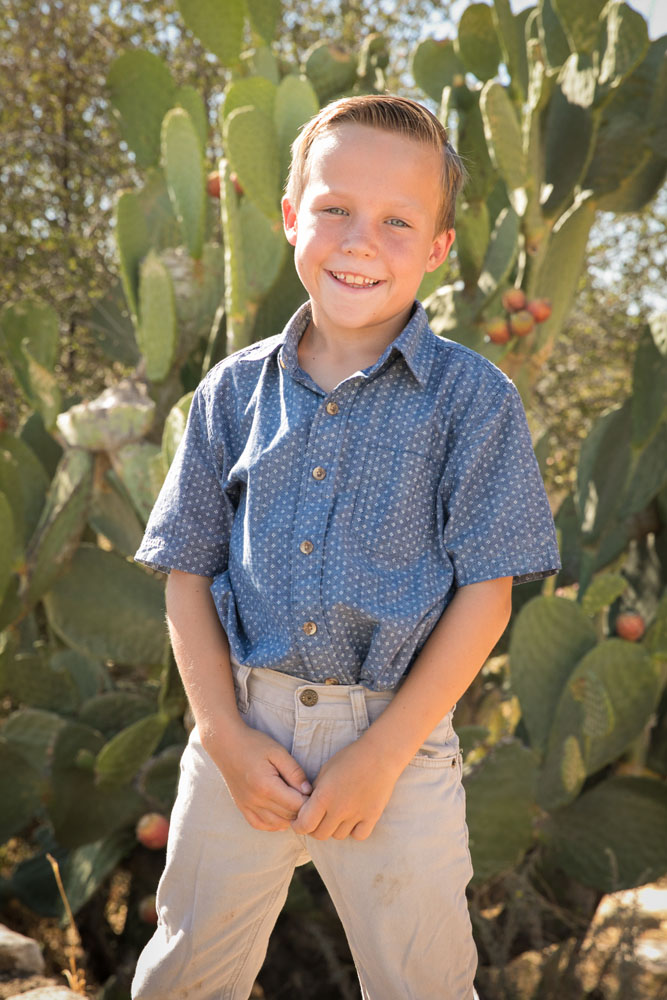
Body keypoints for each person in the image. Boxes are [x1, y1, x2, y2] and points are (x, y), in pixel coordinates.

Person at [131, 94, 561, 999]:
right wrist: (222, 734)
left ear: (439, 250)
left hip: (396, 746)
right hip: (243, 730)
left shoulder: (471, 402)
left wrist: (379, 756)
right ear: (291, 217)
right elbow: (185, 572)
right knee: (183, 977)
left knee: (423, 983)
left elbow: (488, 593)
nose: (359, 241)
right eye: (334, 210)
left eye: (397, 222)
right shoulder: (228, 392)